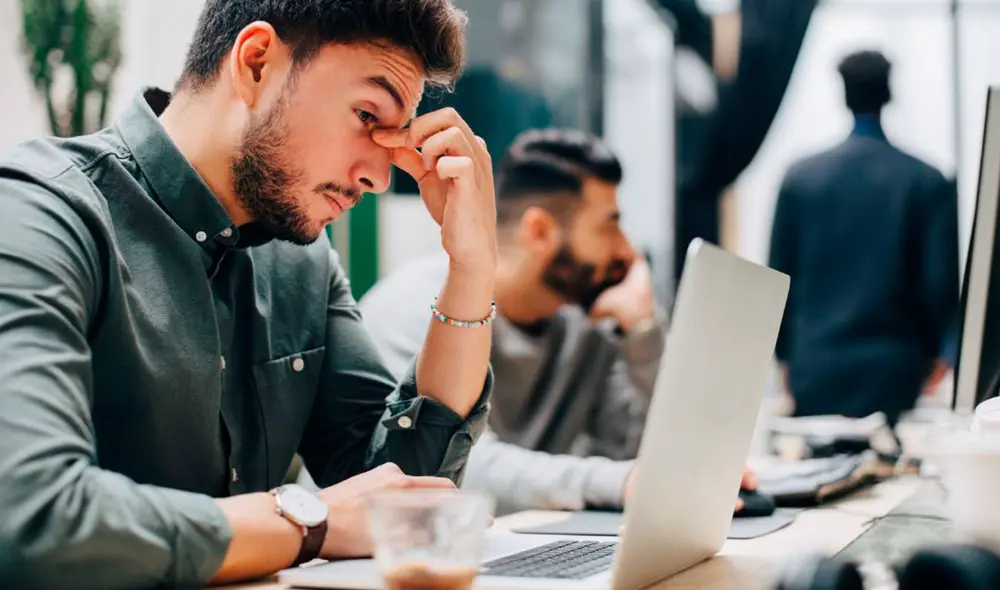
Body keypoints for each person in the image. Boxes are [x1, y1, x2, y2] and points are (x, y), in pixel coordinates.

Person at [0, 1, 500, 588]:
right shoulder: (38, 214)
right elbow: (33, 518)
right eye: (367, 114)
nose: (380, 176)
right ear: (257, 63)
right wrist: (306, 522)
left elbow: (397, 491)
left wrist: (471, 266)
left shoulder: (301, 260)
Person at [361, 128, 757, 515]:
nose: (626, 250)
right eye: (609, 224)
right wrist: (618, 483)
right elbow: (454, 469)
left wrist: (642, 333)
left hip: (516, 546)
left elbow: (640, 452)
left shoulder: (586, 327)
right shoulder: (414, 308)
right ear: (540, 231)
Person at [768, 49, 959, 425]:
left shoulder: (800, 179)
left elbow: (778, 279)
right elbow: (939, 284)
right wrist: (944, 354)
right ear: (888, 94)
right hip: (894, 370)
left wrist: (784, 357)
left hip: (815, 367)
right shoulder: (926, 180)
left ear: (845, 95)